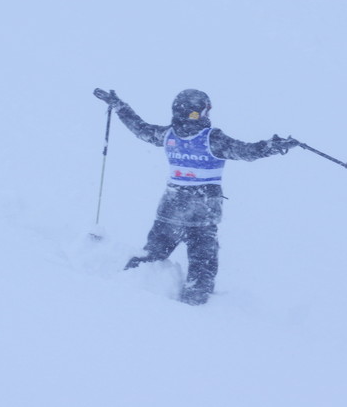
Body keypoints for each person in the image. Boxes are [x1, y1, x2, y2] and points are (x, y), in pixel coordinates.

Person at [93, 88, 299, 305]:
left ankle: (127, 287)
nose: (207, 116)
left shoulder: (167, 136)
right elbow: (247, 151)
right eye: (205, 112)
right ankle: (196, 310)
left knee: (152, 255)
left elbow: (140, 128)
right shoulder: (212, 139)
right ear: (197, 113)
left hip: (170, 208)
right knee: (202, 266)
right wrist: (273, 146)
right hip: (203, 212)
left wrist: (119, 106)